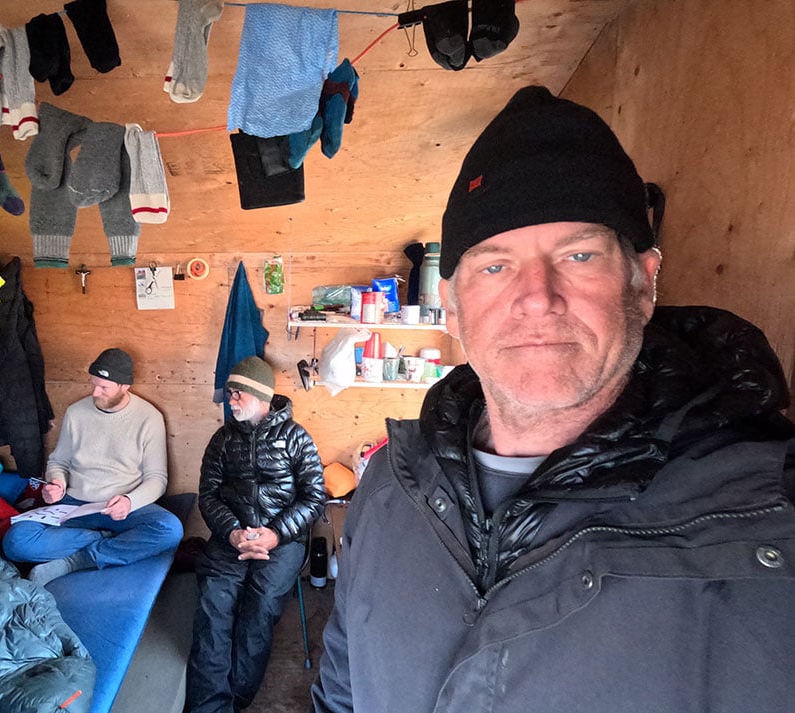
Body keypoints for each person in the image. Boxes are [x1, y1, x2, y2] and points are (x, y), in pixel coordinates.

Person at [312, 85, 795, 713]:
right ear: (452, 308)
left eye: (579, 255)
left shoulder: (768, 518)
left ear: (643, 284)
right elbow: (342, 691)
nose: (537, 297)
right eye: (495, 265)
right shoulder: (388, 488)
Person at [186, 356, 326, 713]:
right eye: (229, 393)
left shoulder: (296, 438)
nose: (230, 400)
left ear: (260, 396)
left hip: (282, 542)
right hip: (229, 538)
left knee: (259, 606)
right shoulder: (221, 440)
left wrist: (275, 535)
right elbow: (209, 495)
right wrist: (233, 532)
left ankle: (237, 699)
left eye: (237, 394)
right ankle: (209, 707)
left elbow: (314, 497)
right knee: (214, 604)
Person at [1, 347, 184, 585]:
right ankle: (105, 540)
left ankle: (78, 560)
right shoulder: (76, 412)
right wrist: (57, 482)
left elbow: (157, 478)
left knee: (170, 530)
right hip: (75, 506)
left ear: (124, 386)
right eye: (94, 384)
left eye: (104, 388)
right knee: (15, 542)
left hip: (122, 507)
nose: (95, 392)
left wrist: (130, 501)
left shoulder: (148, 418)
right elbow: (59, 461)